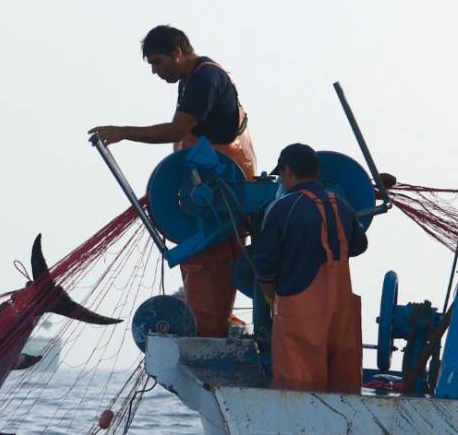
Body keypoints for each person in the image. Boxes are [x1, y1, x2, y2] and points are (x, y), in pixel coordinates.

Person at [89, 25, 257, 337]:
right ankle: (207, 324)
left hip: (224, 187)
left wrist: (123, 132)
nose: (154, 71)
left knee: (211, 258)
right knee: (199, 257)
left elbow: (178, 131)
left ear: (177, 52)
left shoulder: (205, 78)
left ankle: (209, 333)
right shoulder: (190, 79)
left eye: (158, 62)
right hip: (208, 184)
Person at [252, 143, 368, 393]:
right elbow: (359, 246)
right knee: (343, 393)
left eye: (280, 174)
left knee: (298, 395)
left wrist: (271, 298)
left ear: (287, 170)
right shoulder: (343, 206)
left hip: (300, 319)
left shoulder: (283, 208)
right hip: (341, 316)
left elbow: (263, 265)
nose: (281, 180)